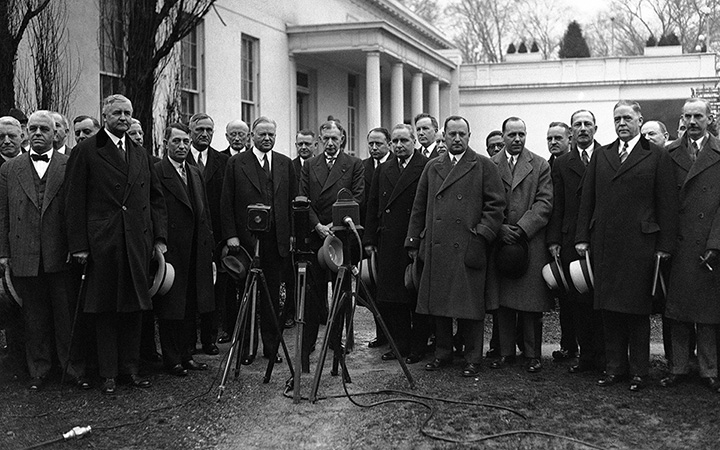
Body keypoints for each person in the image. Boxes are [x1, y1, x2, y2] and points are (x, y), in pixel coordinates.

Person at [64, 94, 167, 395]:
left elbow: (155, 199)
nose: (123, 118)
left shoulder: (139, 153)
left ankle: (130, 370)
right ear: (105, 116)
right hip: (102, 244)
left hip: (136, 242)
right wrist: (79, 245)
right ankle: (108, 373)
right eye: (118, 113)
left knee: (134, 308)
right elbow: (73, 202)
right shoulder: (86, 151)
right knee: (106, 309)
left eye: (128, 113)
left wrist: (158, 239)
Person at [576, 100, 678, 392]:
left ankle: (639, 372)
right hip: (606, 244)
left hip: (641, 245)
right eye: (617, 118)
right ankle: (614, 369)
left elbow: (667, 204)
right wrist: (582, 237)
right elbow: (588, 200)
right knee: (609, 310)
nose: (621, 123)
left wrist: (665, 245)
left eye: (627, 118)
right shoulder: (602, 155)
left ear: (639, 120)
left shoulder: (656, 155)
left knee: (636, 312)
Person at [406, 115, 505, 377]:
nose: (457, 139)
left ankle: (473, 357)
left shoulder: (483, 165)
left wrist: (481, 235)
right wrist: (414, 241)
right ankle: (443, 353)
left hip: (469, 245)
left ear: (469, 136)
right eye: (452, 134)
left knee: (470, 306)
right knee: (438, 305)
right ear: (444, 136)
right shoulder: (432, 167)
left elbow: (496, 206)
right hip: (437, 246)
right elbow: (419, 207)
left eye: (462, 134)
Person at [0, 111, 86, 390]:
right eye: (33, 129)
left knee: (65, 314)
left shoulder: (69, 163)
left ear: (55, 134)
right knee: (34, 318)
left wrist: (76, 247)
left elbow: (78, 210)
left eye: (44, 130)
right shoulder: (9, 169)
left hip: (59, 252)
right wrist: (4, 253)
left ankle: (72, 369)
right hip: (24, 252)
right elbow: (2, 214)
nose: (38, 133)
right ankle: (39, 371)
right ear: (26, 133)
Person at [221, 116, 296, 364]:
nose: (267, 138)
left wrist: (292, 235)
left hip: (277, 242)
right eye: (262, 134)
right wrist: (231, 235)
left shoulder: (285, 164)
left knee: (272, 295)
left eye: (271, 135)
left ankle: (272, 348)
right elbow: (227, 202)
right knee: (247, 294)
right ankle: (247, 349)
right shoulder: (236, 163)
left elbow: (294, 203)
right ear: (252, 135)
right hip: (246, 241)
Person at [661, 98, 720, 393]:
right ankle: (678, 368)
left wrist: (715, 242)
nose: (693, 121)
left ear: (709, 119)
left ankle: (710, 369)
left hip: (709, 243)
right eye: (688, 116)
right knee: (678, 311)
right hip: (679, 242)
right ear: (682, 120)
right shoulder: (668, 153)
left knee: (708, 314)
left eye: (699, 116)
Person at [487, 117, 553, 374]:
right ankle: (505, 353)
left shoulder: (539, 165)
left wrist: (522, 229)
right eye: (512, 135)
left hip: (530, 242)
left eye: (521, 134)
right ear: (502, 137)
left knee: (530, 304)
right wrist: (499, 227)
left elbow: (544, 203)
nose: (517, 139)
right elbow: (486, 201)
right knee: (503, 303)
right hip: (499, 241)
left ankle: (533, 354)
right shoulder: (490, 165)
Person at [300, 119, 364, 363]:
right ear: (319, 139)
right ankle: (307, 349)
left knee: (342, 294)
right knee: (313, 296)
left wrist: (334, 226)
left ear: (342, 139)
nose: (329, 143)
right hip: (317, 238)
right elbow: (303, 199)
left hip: (341, 238)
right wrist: (317, 226)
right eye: (325, 138)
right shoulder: (309, 165)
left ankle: (339, 344)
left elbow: (357, 197)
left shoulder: (354, 165)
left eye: (334, 139)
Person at [364, 124, 429, 363]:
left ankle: (419, 347)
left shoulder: (425, 166)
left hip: (415, 240)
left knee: (416, 294)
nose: (400, 146)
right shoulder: (384, 169)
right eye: (396, 142)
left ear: (414, 142)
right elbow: (373, 205)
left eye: (404, 141)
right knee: (393, 298)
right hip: (389, 241)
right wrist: (369, 239)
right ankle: (399, 345)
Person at [547, 109, 605, 374]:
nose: (583, 128)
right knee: (578, 300)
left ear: (595, 128)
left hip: (601, 236)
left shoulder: (607, 156)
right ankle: (586, 357)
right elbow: (557, 204)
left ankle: (606, 357)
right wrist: (554, 240)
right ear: (571, 131)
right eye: (577, 125)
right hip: (571, 239)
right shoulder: (561, 163)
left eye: (587, 124)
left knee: (601, 299)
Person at [154, 123, 214, 376]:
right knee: (171, 306)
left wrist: (209, 246)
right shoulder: (158, 171)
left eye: (185, 142)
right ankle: (172, 358)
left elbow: (204, 211)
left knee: (191, 304)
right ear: (165, 143)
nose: (181, 146)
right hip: (172, 249)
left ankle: (187, 354)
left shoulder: (194, 171)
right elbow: (155, 210)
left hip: (196, 249)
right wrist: (159, 243)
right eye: (176, 141)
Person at [186, 113, 227, 355]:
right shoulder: (180, 157)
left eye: (209, 130)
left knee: (214, 289)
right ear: (191, 132)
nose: (204, 134)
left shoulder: (222, 161)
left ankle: (210, 339)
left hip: (216, 234)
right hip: (189, 235)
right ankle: (188, 343)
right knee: (190, 292)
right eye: (199, 129)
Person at [544, 121, 577, 361]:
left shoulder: (579, 163)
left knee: (580, 294)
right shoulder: (545, 166)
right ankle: (568, 345)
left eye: (558, 138)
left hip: (574, 237)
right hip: (553, 238)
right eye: (550, 139)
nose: (554, 142)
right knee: (564, 297)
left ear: (569, 139)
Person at [361, 127, 393, 349]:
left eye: (378, 144)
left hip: (393, 235)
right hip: (371, 235)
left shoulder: (395, 165)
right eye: (371, 144)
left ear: (388, 144)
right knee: (374, 287)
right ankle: (381, 334)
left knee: (395, 289)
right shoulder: (362, 167)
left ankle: (397, 337)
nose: (374, 148)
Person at [0, 116, 25, 381]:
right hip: (2, 247)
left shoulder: (32, 164)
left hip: (27, 247)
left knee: (26, 304)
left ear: (22, 137)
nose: (6, 141)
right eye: (1, 137)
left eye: (11, 135)